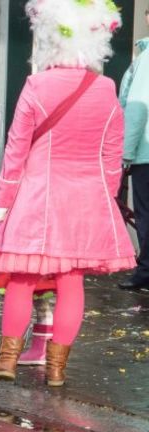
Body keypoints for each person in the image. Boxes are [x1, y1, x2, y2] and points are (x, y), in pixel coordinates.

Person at [0, 0, 135, 387]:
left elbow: (15, 150)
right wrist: (106, 196)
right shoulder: (105, 88)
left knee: (21, 278)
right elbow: (112, 153)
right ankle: (57, 369)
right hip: (85, 201)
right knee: (71, 282)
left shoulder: (37, 85)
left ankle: (7, 361)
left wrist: (3, 203)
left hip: (37, 197)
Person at [119, 10, 149, 292]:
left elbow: (137, 108)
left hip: (146, 154)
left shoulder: (146, 59)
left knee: (146, 213)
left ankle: (146, 271)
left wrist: (125, 153)